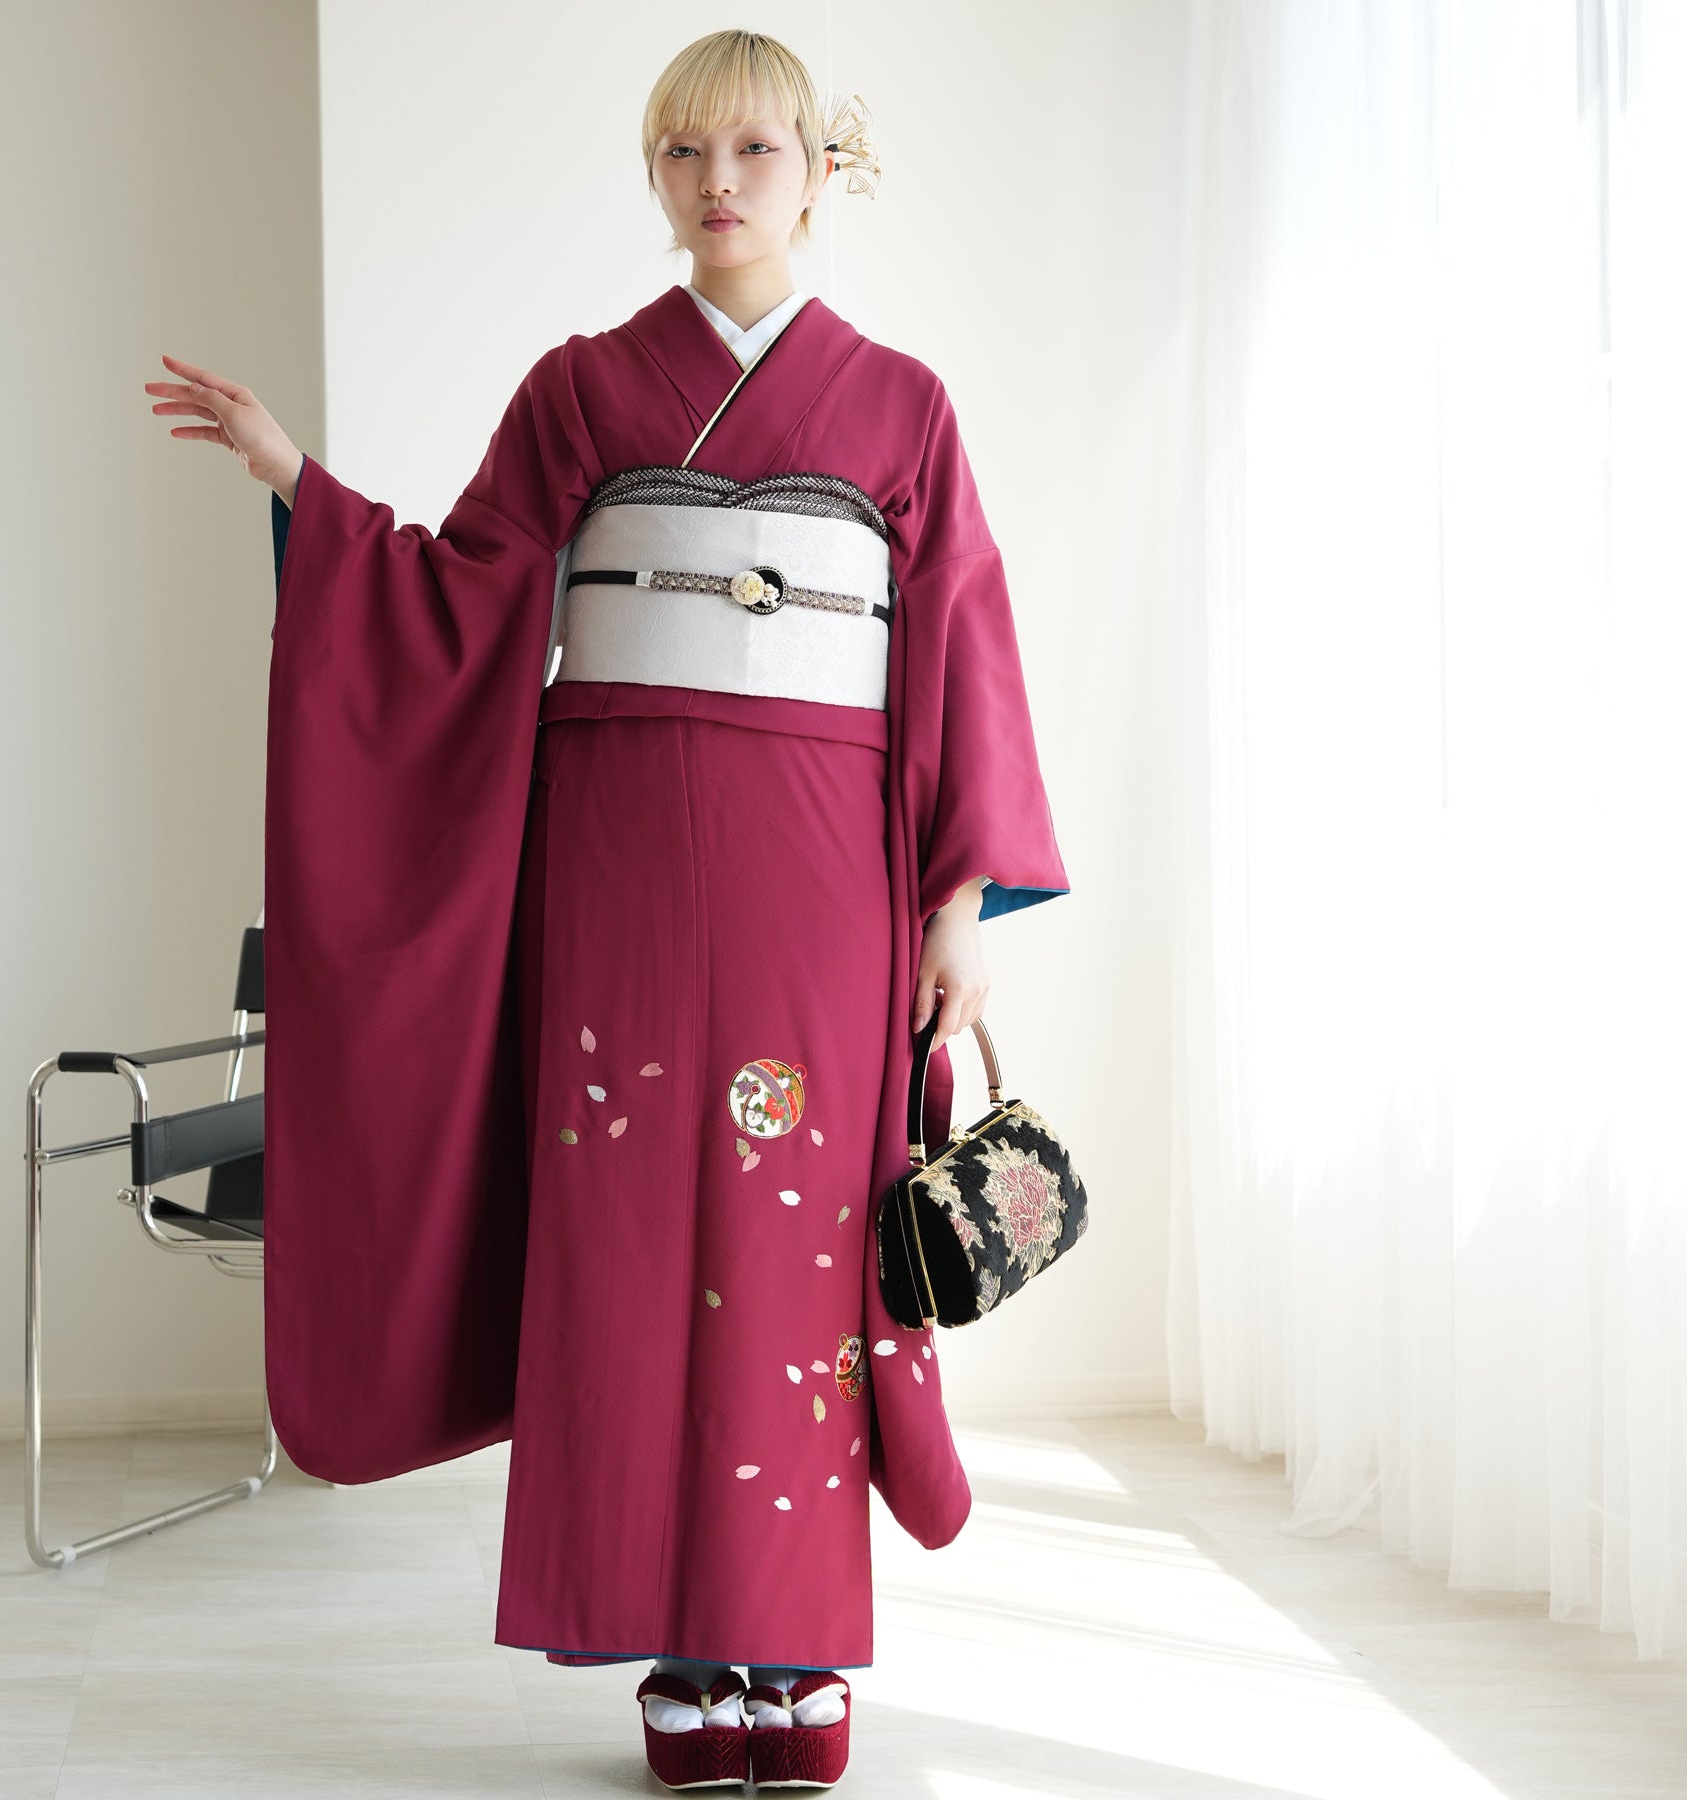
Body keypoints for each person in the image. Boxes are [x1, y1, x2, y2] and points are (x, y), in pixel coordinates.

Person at [145, 28, 1069, 1792]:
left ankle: (794, 1647)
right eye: (683, 154)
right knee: (632, 1237)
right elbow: (457, 599)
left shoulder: (904, 407)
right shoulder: (579, 391)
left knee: (797, 1247)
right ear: (656, 174)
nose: (718, 184)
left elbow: (963, 648)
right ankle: (677, 1648)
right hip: (619, 871)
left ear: (820, 169)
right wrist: (297, 483)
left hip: (824, 875)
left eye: (753, 150)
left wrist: (957, 902)